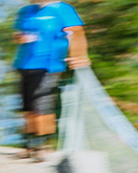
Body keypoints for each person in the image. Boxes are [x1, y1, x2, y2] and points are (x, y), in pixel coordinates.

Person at [12, 1, 90, 160]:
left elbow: (77, 33)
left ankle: (43, 145)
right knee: (26, 107)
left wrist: (79, 56)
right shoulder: (26, 10)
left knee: (42, 104)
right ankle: (28, 145)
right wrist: (21, 37)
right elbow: (16, 35)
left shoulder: (62, 9)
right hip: (25, 64)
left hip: (48, 65)